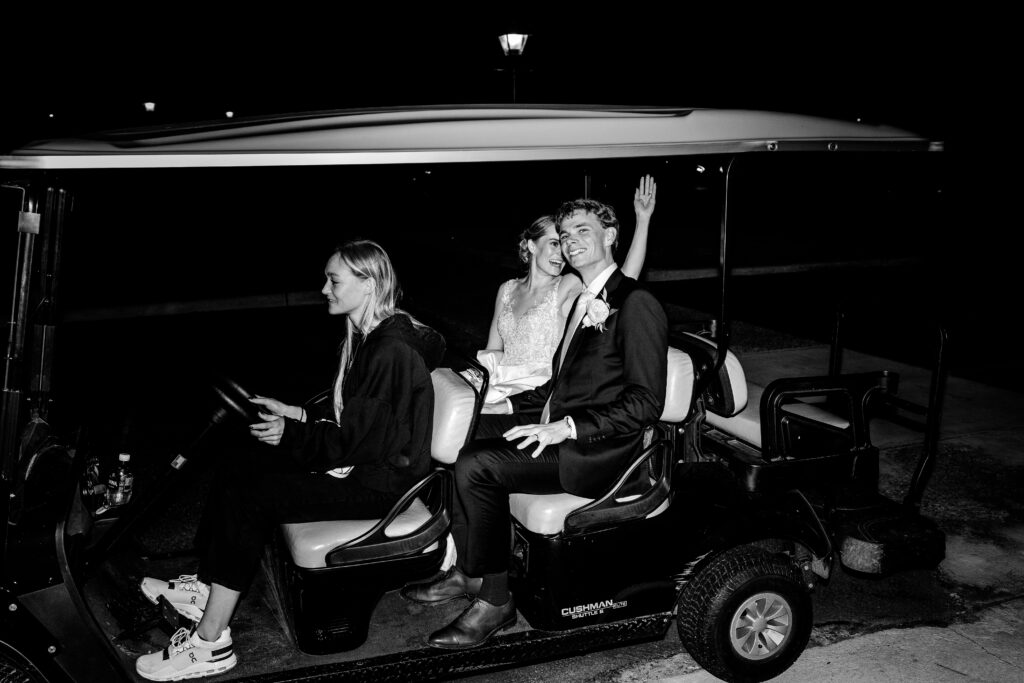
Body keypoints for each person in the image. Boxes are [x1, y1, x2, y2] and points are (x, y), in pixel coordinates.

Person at [135, 239, 445, 681]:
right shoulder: (370, 337)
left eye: (333, 280)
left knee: (252, 495)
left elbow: (360, 443)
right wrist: (298, 415)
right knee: (239, 462)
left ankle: (210, 643)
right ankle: (207, 587)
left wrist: (295, 434)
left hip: (379, 486)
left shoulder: (389, 350)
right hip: (362, 466)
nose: (324, 288)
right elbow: (356, 420)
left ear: (368, 283)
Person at [402, 195, 668, 649]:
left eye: (582, 231)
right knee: (460, 443)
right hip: (556, 429)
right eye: (565, 235)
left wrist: (564, 428)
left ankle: (495, 600)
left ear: (610, 237)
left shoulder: (634, 302)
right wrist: (504, 404)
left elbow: (646, 403)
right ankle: (469, 570)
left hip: (599, 452)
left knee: (477, 465)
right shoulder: (588, 301)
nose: (570, 242)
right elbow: (560, 383)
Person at [476, 175, 657, 406]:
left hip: (537, 391)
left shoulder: (567, 284)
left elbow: (620, 283)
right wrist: (481, 382)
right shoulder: (507, 289)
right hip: (500, 383)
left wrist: (642, 221)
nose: (562, 252)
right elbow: (493, 350)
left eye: (562, 244)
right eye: (556, 242)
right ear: (532, 245)